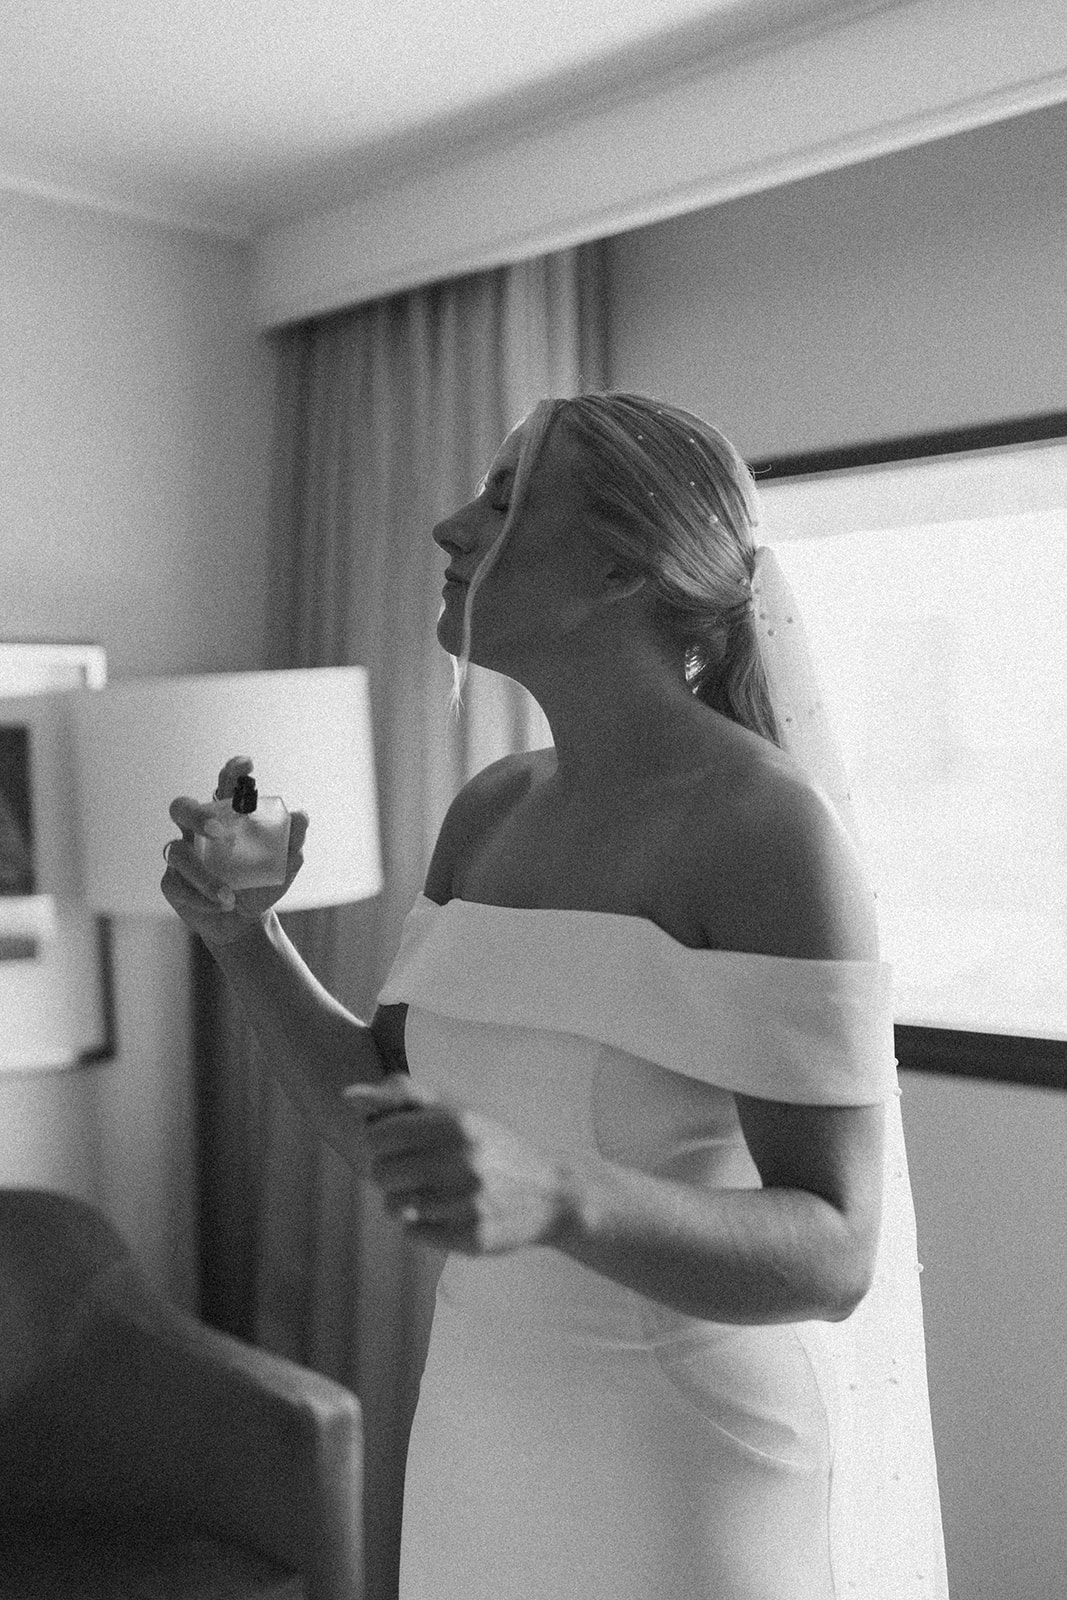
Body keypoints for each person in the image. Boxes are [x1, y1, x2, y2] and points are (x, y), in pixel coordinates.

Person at [163, 393, 947, 1599]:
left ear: (622, 566)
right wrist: (245, 936)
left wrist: (561, 1190)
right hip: (476, 1433)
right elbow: (390, 1127)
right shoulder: (489, 807)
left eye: (500, 497)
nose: (446, 524)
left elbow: (835, 1252)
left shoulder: (767, 832)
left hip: (678, 1468)